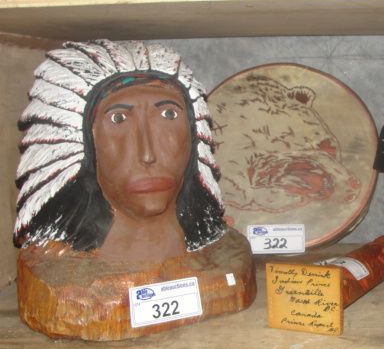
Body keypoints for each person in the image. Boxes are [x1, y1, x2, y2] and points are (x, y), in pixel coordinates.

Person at [14, 39, 226, 263]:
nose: (147, 154)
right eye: (118, 119)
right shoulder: (55, 268)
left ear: (195, 134)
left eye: (169, 114)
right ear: (77, 142)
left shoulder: (223, 256)